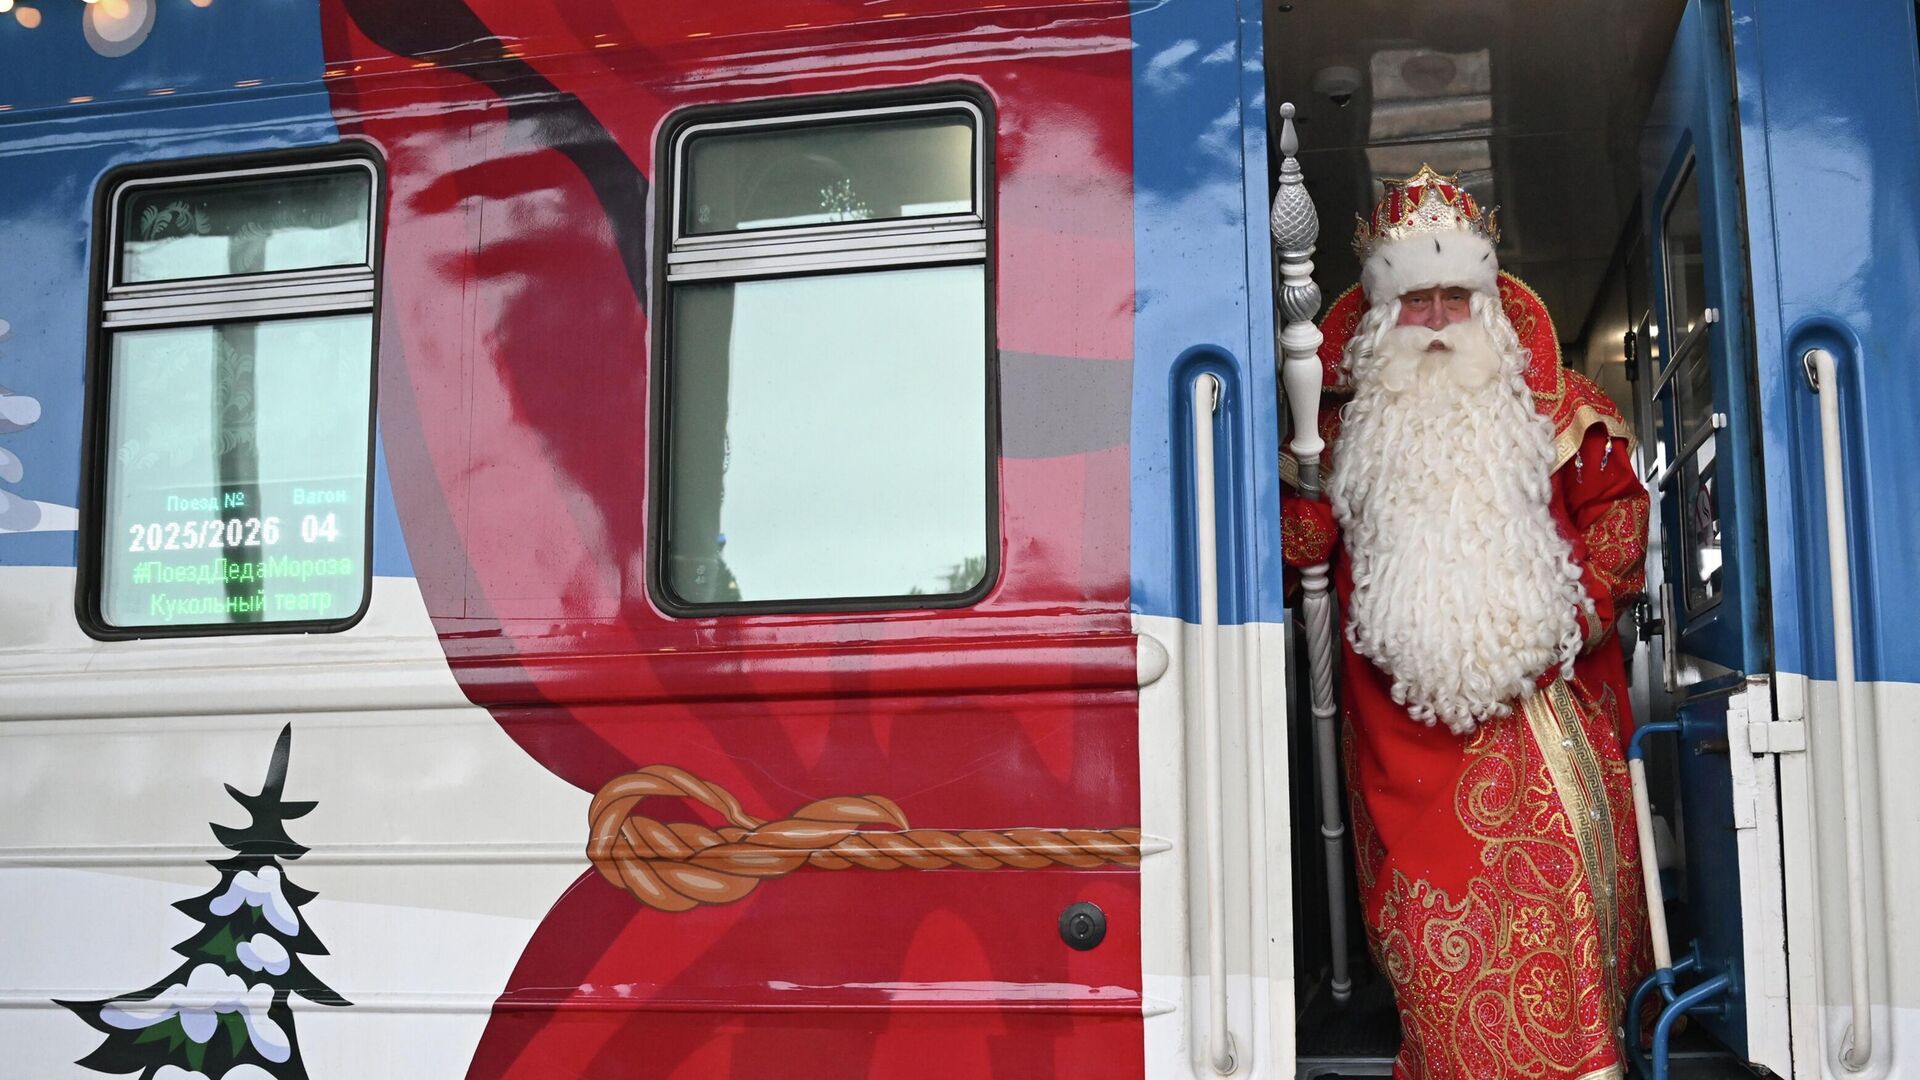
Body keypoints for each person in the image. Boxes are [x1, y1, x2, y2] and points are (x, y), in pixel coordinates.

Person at [1283, 165, 1652, 1080]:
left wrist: (1575, 611)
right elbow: (1295, 551)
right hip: (1399, 739)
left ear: (1487, 304)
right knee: (1429, 940)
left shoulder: (1556, 411)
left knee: (1563, 903)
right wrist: (1301, 496)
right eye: (1417, 301)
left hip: (1542, 713)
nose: (1440, 319)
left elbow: (1618, 519)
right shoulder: (1335, 436)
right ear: (1381, 318)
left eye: (1456, 296)